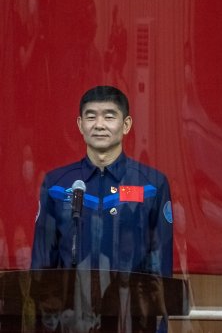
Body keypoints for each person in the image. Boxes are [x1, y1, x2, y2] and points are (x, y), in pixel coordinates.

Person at [31, 85, 173, 331]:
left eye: (109, 116)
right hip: (70, 322)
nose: (99, 125)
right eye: (91, 116)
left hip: (131, 321)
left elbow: (160, 267)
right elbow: (42, 264)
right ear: (80, 125)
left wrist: (158, 324)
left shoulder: (151, 185)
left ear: (126, 125)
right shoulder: (57, 184)